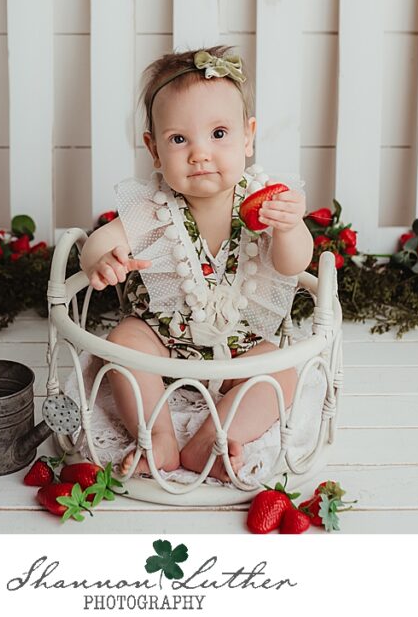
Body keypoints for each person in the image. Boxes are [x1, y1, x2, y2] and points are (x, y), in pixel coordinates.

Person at [79, 45, 313, 483]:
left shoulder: (263, 202)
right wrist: (102, 259)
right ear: (153, 150)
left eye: (219, 133)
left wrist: (289, 229)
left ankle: (215, 438)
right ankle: (158, 436)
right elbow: (101, 240)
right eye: (179, 139)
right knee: (124, 342)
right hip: (163, 342)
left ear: (248, 136)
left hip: (242, 348)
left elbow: (293, 265)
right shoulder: (153, 207)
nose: (200, 153)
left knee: (280, 371)